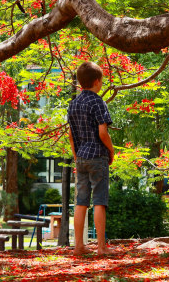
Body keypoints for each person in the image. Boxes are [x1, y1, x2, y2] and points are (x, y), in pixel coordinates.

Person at [68, 61, 114, 256]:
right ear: (97, 81)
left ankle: (79, 246)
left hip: (81, 157)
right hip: (97, 155)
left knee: (81, 202)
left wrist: (76, 155)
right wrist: (111, 151)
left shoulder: (73, 103)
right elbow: (103, 132)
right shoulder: (97, 101)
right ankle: (101, 247)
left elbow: (71, 134)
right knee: (99, 201)